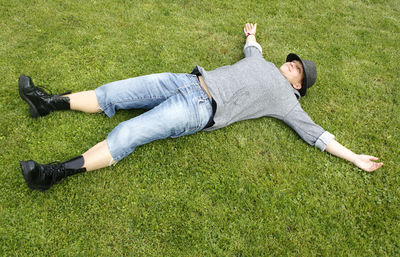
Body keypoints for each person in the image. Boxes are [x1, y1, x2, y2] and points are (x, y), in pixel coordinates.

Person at [19, 23, 383, 191]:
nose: (291, 65)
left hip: (199, 109)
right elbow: (252, 48)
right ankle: (46, 103)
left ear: (298, 84)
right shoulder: (264, 62)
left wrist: (355, 158)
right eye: (293, 61)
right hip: (185, 80)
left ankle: (52, 174)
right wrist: (251, 34)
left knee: (130, 133)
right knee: (114, 91)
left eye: (297, 69)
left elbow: (317, 135)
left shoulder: (287, 102)